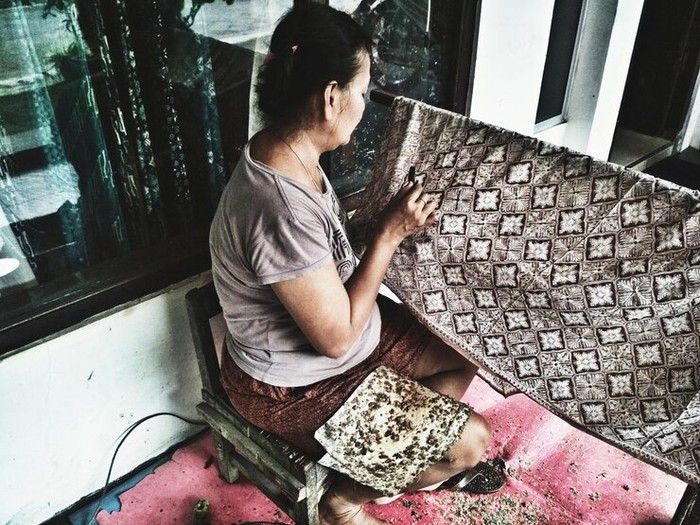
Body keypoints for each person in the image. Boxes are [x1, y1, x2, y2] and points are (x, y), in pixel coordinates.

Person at [209, 4, 497, 524]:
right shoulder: (278, 205)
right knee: (470, 441)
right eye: (362, 92)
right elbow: (337, 339)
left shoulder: (289, 150)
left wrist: (380, 224)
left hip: (347, 344)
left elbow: (323, 256)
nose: (365, 104)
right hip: (291, 386)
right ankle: (342, 500)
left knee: (468, 343)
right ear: (331, 97)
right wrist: (387, 234)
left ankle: (392, 460)